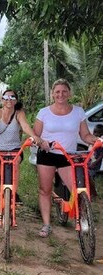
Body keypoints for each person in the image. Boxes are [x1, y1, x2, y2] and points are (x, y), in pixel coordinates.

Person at [33, 78, 98, 237]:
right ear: (52, 94)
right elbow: (35, 135)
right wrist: (42, 143)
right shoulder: (44, 112)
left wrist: (97, 141)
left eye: (64, 91)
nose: (60, 94)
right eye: (57, 92)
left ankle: (83, 220)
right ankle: (47, 224)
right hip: (47, 155)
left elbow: (85, 135)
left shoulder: (78, 112)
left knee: (78, 190)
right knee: (45, 190)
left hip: (68, 156)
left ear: (69, 93)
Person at [0, 89, 43, 227]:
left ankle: (11, 202)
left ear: (16, 100)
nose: (9, 100)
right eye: (6, 97)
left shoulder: (19, 113)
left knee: (15, 171)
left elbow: (25, 126)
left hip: (14, 150)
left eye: (12, 97)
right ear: (2, 100)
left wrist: (34, 136)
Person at [88, 124, 103, 199]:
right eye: (95, 132)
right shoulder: (92, 141)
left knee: (90, 177)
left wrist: (94, 163)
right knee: (88, 177)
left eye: (98, 133)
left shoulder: (100, 143)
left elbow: (101, 155)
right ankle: (91, 192)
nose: (96, 134)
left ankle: (94, 193)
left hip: (95, 164)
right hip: (90, 162)